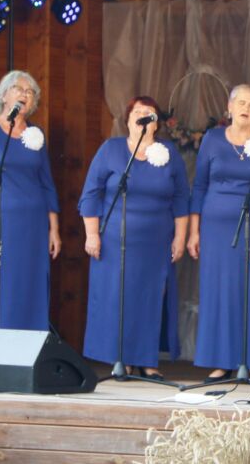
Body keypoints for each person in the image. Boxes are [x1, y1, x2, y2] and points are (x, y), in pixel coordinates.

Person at [80, 96, 190, 379]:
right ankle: (122, 359)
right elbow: (91, 194)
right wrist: (91, 234)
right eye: (137, 112)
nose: (142, 116)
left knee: (150, 298)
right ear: (128, 120)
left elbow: (181, 198)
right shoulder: (111, 149)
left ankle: (148, 360)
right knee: (118, 297)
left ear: (156, 123)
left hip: (156, 241)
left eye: (149, 112)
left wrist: (180, 237)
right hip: (114, 240)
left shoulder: (168, 153)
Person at [0, 70, 61, 351]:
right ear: (4, 95)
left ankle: (28, 356)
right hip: (0, 225)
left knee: (30, 288)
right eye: (18, 88)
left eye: (30, 92)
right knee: (0, 289)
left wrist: (53, 229)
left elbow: (47, 184)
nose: (24, 94)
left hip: (34, 226)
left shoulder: (36, 135)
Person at [188, 85, 250, 383]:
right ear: (230, 107)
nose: (246, 108)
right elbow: (199, 185)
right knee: (218, 292)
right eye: (241, 103)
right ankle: (220, 362)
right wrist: (193, 231)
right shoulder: (212, 139)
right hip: (215, 228)